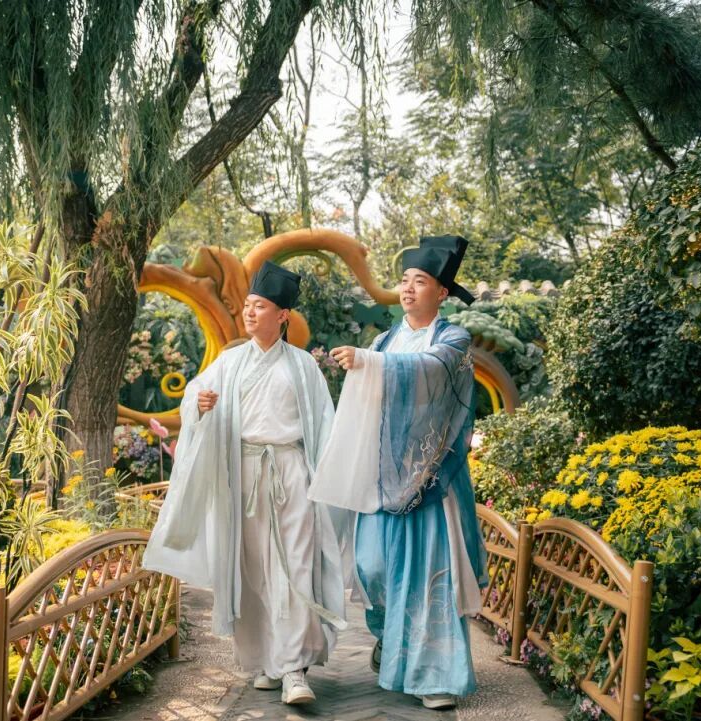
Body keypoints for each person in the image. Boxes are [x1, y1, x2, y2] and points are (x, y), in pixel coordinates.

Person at [144, 261, 348, 705]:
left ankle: (294, 669)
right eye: (249, 306)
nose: (250, 313)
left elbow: (325, 426)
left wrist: (326, 483)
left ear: (283, 316)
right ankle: (268, 661)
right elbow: (194, 398)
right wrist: (199, 404)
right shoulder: (230, 362)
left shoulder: (303, 367)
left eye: (260, 306)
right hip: (243, 475)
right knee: (252, 570)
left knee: (295, 566)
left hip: (291, 474)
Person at [308, 235, 489, 710]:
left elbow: (433, 367)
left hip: (431, 480)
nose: (408, 288)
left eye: (420, 281)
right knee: (373, 567)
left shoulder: (452, 340)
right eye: (405, 280)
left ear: (442, 293)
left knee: (430, 576)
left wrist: (370, 363)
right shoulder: (384, 340)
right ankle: (391, 641)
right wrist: (371, 361)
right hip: (382, 478)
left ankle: (436, 676)